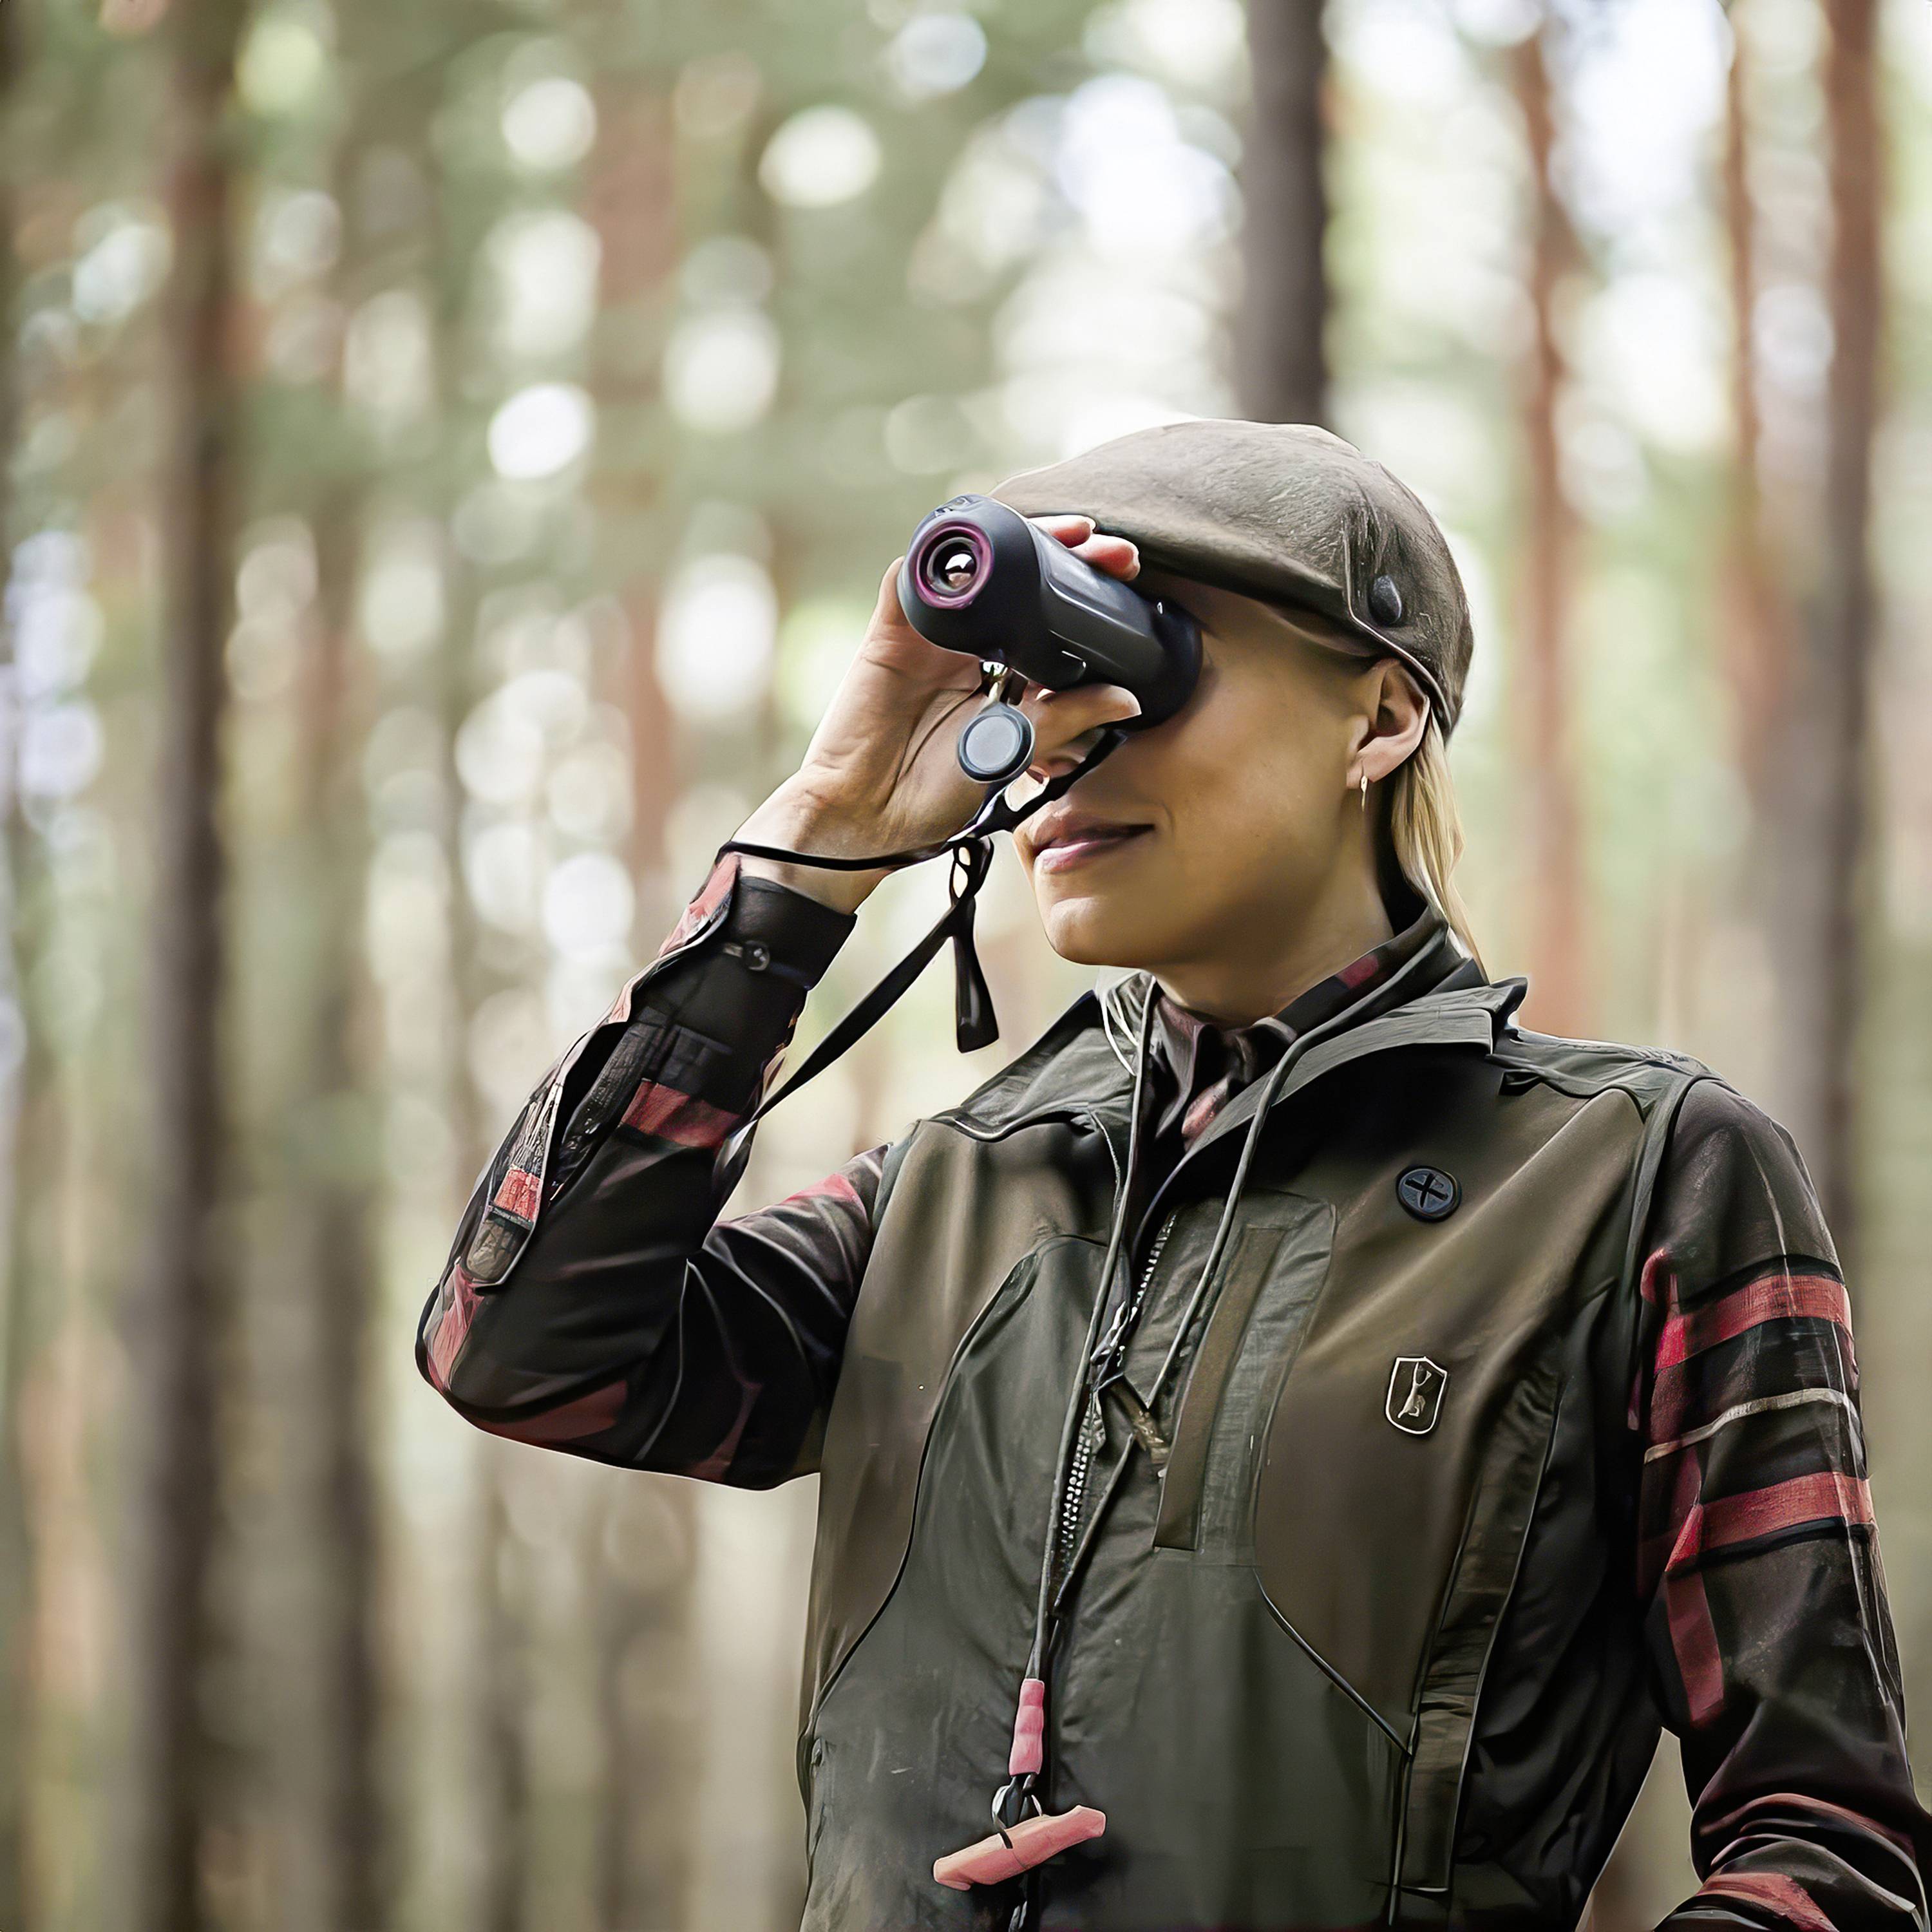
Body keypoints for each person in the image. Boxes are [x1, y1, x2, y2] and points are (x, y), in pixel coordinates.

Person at [417, 421, 1928, 1932]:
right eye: (1025, 681)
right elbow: (522, 1354)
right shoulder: (957, 1187)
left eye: (1143, 662)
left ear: (1381, 717)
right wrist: (819, 839)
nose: (1061, 740)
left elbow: (1826, 1845)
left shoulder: (1632, 1182)